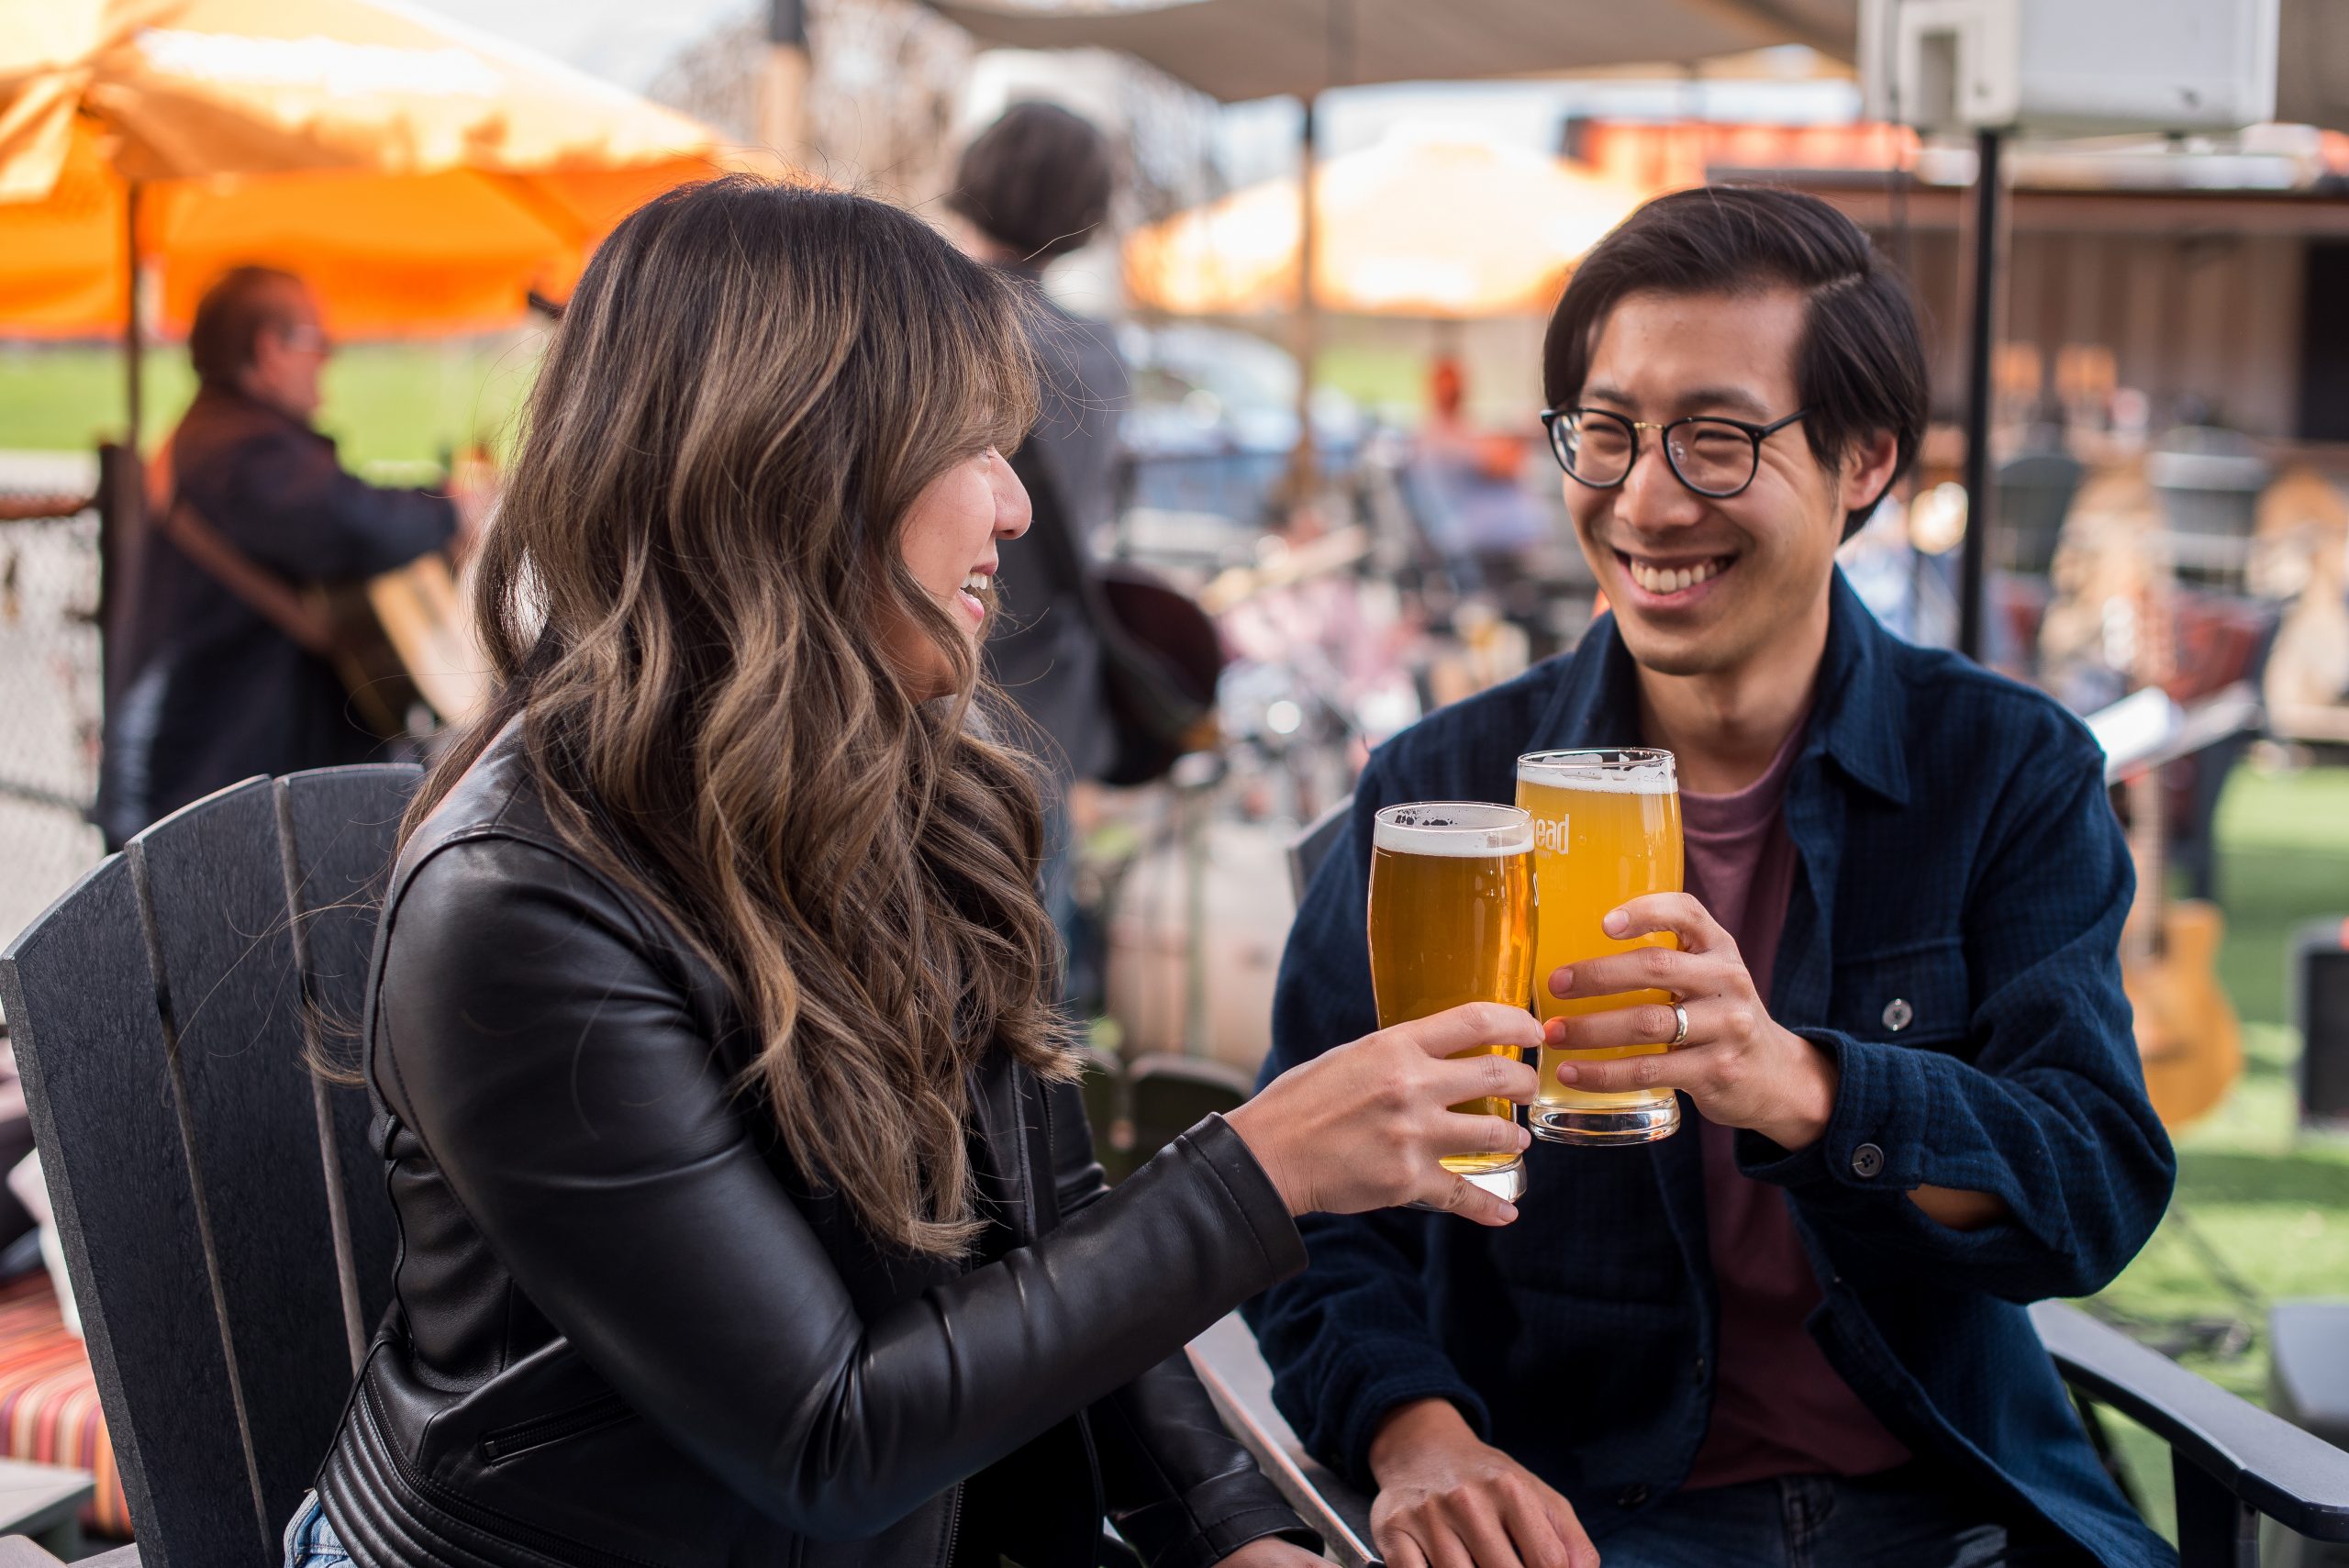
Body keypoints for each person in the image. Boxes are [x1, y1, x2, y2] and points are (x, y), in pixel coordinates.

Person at [286, 176, 1546, 1568]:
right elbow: (825, 1438)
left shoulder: (915, 790)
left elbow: (1046, 1224)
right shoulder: (519, 902)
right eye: (969, 447)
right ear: (788, 466)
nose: (1014, 505)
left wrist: (1235, 1534)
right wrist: (1259, 1170)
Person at [1251, 186, 2177, 1568]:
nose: (1645, 499)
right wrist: (1420, 1437)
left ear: (1866, 460)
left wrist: (1801, 1084)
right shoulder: (1443, 791)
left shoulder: (2004, 767)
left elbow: (2090, 1182)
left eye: (1719, 439)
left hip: (1952, 1503)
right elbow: (1304, 1214)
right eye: (1611, 431)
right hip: (1586, 1516)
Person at [95, 266, 471, 846]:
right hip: (216, 785)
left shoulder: (223, 437)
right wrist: (454, 511)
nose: (327, 360)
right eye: (319, 342)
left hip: (224, 772)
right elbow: (352, 522)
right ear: (272, 350)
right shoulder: (238, 449)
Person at [945, 101, 1127, 972]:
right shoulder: (1098, 350)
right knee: (1032, 947)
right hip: (1052, 683)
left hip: (941, 675)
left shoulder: (934, 324)